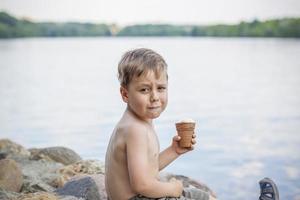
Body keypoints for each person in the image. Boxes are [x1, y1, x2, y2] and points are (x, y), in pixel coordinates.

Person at [105, 48, 216, 200]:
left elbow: (148, 168)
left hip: (142, 195)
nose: (155, 97)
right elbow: (142, 185)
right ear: (125, 94)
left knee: (204, 196)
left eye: (161, 88)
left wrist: (174, 150)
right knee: (186, 194)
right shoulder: (135, 129)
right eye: (144, 90)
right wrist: (172, 189)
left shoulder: (141, 121)